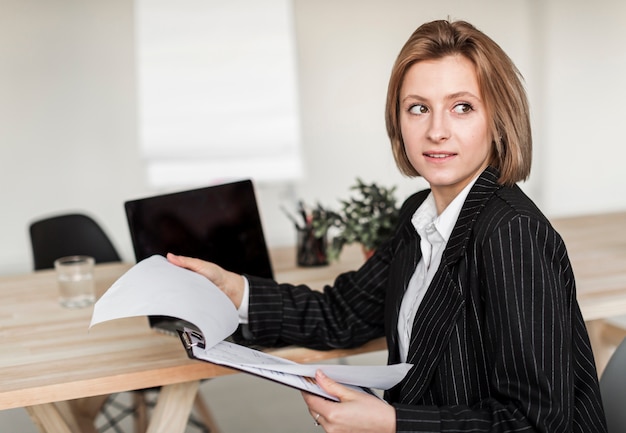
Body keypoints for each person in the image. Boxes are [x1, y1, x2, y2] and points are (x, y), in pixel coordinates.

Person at [168, 19, 607, 433]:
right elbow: (343, 313)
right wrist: (236, 291)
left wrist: (393, 422)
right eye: (418, 108)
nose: (437, 131)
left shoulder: (512, 234)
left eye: (462, 107)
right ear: (398, 122)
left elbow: (534, 423)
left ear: (498, 119)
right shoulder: (421, 213)